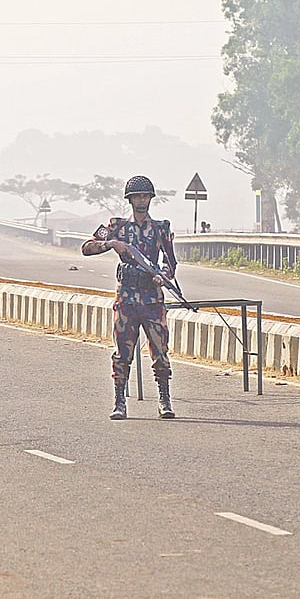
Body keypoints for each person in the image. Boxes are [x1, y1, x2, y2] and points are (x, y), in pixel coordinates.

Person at [82, 175, 177, 420]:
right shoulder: (117, 227)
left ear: (151, 199)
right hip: (126, 299)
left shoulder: (161, 229)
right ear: (130, 200)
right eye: (137, 197)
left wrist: (163, 276)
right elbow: (87, 247)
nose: (142, 201)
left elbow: (170, 263)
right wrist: (113, 244)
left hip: (152, 299)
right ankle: (119, 402)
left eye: (145, 196)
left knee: (160, 351)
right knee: (122, 352)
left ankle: (164, 400)